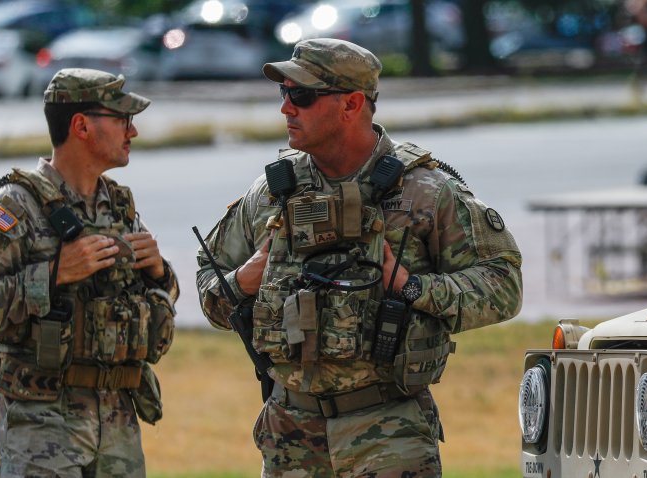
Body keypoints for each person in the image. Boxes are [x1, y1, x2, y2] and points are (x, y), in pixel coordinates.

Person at [196, 38, 523, 477]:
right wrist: (243, 281)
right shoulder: (273, 191)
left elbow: (504, 284)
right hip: (290, 434)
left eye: (303, 95)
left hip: (388, 431)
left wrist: (414, 287)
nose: (286, 108)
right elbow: (208, 279)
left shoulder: (424, 191)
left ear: (351, 104)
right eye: (284, 94)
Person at [0, 68, 179, 478]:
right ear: (81, 126)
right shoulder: (14, 206)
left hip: (118, 421)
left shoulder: (119, 205)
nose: (133, 132)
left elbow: (154, 295)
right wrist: (52, 275)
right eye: (122, 119)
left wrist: (161, 275)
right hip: (42, 422)